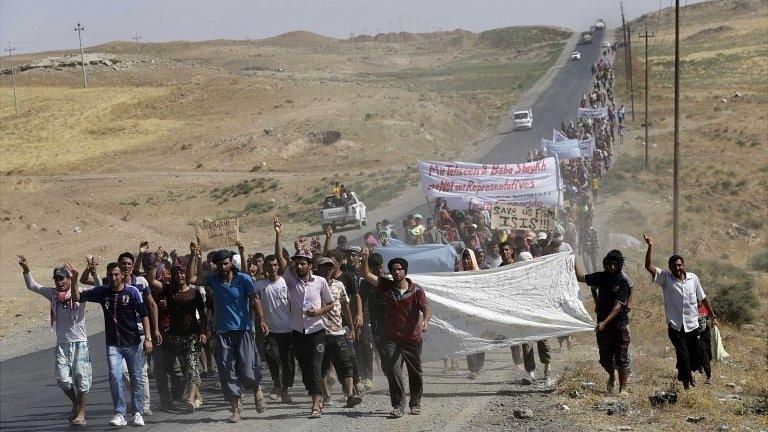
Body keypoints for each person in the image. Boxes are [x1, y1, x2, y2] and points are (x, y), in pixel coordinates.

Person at [187, 244, 269, 423]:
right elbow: (191, 278)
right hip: (223, 333)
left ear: (231, 262)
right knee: (227, 372)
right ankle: (235, 409)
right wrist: (194, 255)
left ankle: (256, 389)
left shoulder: (244, 279)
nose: (223, 267)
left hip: (244, 330)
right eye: (220, 265)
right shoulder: (213, 280)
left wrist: (261, 321)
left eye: (225, 264)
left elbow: (255, 300)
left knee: (247, 368)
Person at [74, 262, 152, 427]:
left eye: (116, 274)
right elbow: (77, 297)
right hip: (113, 345)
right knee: (115, 377)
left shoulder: (133, 292)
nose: (114, 278)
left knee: (136, 378)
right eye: (110, 275)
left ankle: (137, 412)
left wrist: (148, 338)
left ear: (122, 275)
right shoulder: (103, 292)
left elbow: (144, 315)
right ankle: (119, 413)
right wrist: (74, 279)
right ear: (107, 276)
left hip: (133, 343)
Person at [274, 216, 335, 419]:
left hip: (317, 331)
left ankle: (316, 403)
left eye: (303, 264)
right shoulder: (291, 281)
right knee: (305, 369)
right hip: (298, 332)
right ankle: (316, 396)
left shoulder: (320, 282)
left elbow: (331, 303)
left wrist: (318, 312)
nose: (299, 267)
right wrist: (279, 234)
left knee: (316, 367)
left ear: (310, 265)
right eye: (297, 264)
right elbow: (281, 260)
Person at [19, 257, 91, 426]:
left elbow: (100, 288)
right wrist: (26, 269)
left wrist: (88, 273)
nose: (59, 282)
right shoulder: (53, 295)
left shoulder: (80, 291)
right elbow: (33, 286)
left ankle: (81, 412)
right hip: (62, 344)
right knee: (63, 380)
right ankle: (76, 403)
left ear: (69, 278)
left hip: (79, 342)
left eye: (62, 278)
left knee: (82, 378)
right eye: (57, 279)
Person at [360, 247, 431, 418]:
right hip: (392, 339)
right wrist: (365, 258)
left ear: (405, 271)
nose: (396, 272)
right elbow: (367, 275)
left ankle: (415, 404)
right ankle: (398, 405)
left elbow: (426, 308)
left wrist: (426, 321)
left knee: (415, 373)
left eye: (399, 269)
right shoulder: (386, 286)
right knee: (393, 371)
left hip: (412, 339)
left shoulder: (416, 290)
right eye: (393, 269)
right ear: (390, 272)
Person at [643, 235, 716, 390]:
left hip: (692, 325)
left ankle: (688, 373)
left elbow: (702, 298)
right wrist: (650, 246)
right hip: (676, 327)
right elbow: (648, 266)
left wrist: (712, 316)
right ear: (670, 267)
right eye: (674, 266)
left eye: (679, 265)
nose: (677, 268)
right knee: (682, 356)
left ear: (683, 265)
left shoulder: (693, 279)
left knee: (697, 355)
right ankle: (687, 384)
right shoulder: (666, 279)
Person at [147, 249, 207, 413]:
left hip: (193, 334)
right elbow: (151, 280)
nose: (179, 276)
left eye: (182, 273)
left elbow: (202, 314)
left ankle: (189, 397)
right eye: (176, 274)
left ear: (186, 275)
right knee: (186, 368)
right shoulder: (169, 290)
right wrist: (157, 261)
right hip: (176, 336)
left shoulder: (194, 293)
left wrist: (203, 332)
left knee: (192, 366)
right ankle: (198, 397)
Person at [575, 250, 632, 396]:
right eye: (609, 264)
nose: (611, 267)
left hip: (619, 324)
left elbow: (618, 307)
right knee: (605, 359)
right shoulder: (600, 277)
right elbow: (580, 277)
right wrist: (573, 258)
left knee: (621, 358)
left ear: (619, 265)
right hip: (603, 325)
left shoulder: (622, 282)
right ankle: (612, 376)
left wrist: (604, 322)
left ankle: (622, 389)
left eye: (615, 264)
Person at [316, 257, 364, 408]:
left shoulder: (339, 285)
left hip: (338, 331)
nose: (327, 270)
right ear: (318, 269)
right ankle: (327, 396)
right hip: (319, 333)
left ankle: (350, 395)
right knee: (322, 367)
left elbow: (345, 307)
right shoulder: (312, 285)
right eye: (324, 267)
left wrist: (351, 328)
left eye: (329, 267)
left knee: (346, 364)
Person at [254, 254, 295, 403]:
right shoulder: (259, 285)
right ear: (265, 267)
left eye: (275, 265)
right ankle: (277, 386)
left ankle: (285, 390)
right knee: (274, 358)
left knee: (288, 362)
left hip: (289, 329)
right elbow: (249, 292)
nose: (272, 268)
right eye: (269, 265)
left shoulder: (286, 282)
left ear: (278, 266)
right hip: (270, 330)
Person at [459, 249, 485, 380]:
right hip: (464, 313)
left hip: (478, 312)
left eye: (468, 258)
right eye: (464, 258)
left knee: (479, 340)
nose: (466, 261)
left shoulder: (479, 275)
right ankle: (472, 369)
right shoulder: (457, 277)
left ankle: (479, 366)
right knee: (467, 340)